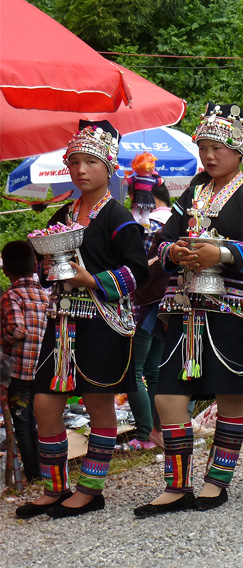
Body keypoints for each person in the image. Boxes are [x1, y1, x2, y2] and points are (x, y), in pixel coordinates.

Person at [133, 103, 243, 517]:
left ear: (239, 150)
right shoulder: (192, 192)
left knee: (230, 396)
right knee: (168, 397)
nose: (209, 156)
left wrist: (223, 252)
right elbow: (161, 239)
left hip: (230, 310)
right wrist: (172, 250)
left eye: (218, 148)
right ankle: (177, 485)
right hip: (183, 310)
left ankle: (217, 481)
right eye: (204, 147)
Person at [16, 120, 149, 518]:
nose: (81, 170)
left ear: (108, 166)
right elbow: (46, 270)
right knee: (44, 403)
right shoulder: (63, 213)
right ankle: (55, 488)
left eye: (90, 161)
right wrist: (45, 265)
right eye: (74, 162)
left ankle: (90, 489)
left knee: (99, 404)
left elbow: (138, 272)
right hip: (61, 323)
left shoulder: (119, 217)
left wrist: (90, 278)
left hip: (102, 322)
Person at [125, 182, 172, 450]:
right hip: (168, 301)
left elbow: (135, 266)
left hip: (143, 301)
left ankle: (145, 434)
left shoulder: (142, 223)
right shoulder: (177, 218)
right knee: (153, 370)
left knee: (135, 369)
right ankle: (158, 430)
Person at [1, 240, 49, 484]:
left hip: (19, 374)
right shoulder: (44, 295)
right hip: (42, 371)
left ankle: (33, 473)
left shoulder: (12, 295)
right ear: (35, 266)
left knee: (23, 423)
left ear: (4, 270)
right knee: (42, 421)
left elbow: (17, 330)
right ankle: (46, 469)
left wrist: (2, 339)